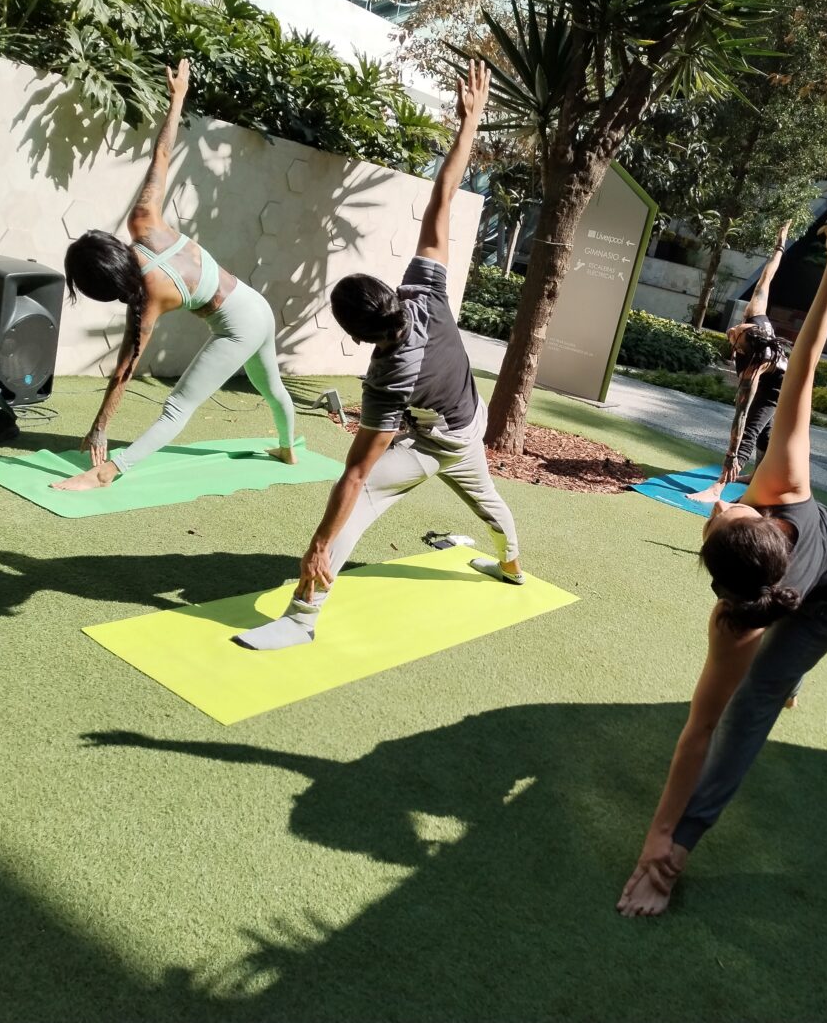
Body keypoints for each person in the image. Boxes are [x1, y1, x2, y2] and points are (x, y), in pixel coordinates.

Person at [616, 179, 827, 918]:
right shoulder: (780, 486)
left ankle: (681, 857)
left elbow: (702, 733)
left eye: (715, 517)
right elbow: (809, 359)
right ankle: (785, 670)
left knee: (749, 707)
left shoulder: (738, 612)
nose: (719, 505)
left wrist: (665, 841)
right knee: (757, 685)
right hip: (796, 588)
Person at [234, 61, 523, 653]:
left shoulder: (389, 378)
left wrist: (319, 541)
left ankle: (302, 617)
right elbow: (443, 198)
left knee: (360, 503)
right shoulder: (425, 292)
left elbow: (357, 473)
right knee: (489, 504)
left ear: (358, 336)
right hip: (467, 420)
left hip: (443, 440)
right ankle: (511, 565)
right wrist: (468, 123)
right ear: (389, 292)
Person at [53, 59, 295, 491]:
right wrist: (178, 96)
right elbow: (162, 154)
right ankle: (287, 448)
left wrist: (100, 428)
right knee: (272, 386)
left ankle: (108, 472)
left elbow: (123, 373)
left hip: (239, 327)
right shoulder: (144, 221)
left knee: (178, 406)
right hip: (254, 303)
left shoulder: (148, 298)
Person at [688, 222, 793, 504]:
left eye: (736, 336)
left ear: (745, 350)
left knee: (750, 431)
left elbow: (741, 416)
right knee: (765, 431)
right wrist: (780, 244)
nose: (733, 330)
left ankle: (718, 488)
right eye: (739, 328)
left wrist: (731, 455)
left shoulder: (754, 367)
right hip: (774, 372)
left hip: (777, 387)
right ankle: (758, 474)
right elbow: (766, 278)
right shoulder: (755, 316)